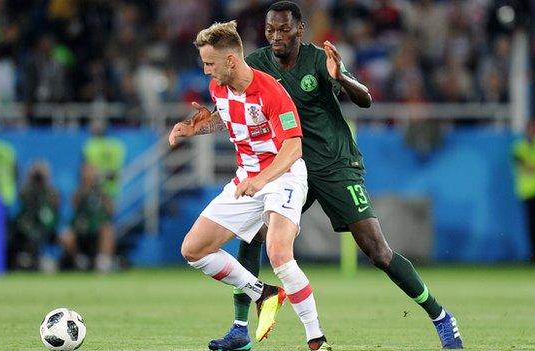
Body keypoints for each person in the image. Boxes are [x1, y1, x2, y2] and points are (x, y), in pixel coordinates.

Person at [178, 2, 463, 350]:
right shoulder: (254, 65)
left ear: (300, 30)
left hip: (332, 164)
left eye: (284, 29)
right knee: (251, 237)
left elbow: (366, 99)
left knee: (378, 251)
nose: (276, 36)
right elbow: (239, 112)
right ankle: (240, 329)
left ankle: (441, 317)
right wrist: (207, 123)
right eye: (270, 30)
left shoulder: (319, 60)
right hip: (282, 166)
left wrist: (341, 76)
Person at [169, 20, 330, 351]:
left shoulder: (271, 91)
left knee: (279, 252)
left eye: (210, 63)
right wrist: (193, 127)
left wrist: (262, 180)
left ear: (230, 61)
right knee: (193, 249)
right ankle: (263, 293)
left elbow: (293, 147)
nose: (205, 71)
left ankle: (317, 338)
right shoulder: (219, 88)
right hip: (247, 180)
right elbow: (225, 117)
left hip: (283, 175)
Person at [59, 163, 116, 272]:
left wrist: (101, 190)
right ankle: (80, 261)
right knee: (65, 235)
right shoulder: (79, 190)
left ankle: (103, 262)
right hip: (81, 230)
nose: (88, 174)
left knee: (108, 229)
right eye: (86, 171)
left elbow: (111, 211)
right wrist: (87, 187)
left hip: (96, 231)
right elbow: (74, 203)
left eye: (91, 171)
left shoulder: (101, 190)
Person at [9, 160, 60, 271]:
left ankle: (46, 260)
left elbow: (54, 210)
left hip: (46, 228)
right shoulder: (27, 190)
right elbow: (21, 196)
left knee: (40, 235)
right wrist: (30, 179)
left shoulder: (52, 192)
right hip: (26, 228)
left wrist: (45, 183)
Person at [83, 120, 126, 198]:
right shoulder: (117, 145)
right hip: (110, 187)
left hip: (98, 187)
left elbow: (86, 168)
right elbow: (119, 170)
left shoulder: (90, 145)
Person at [513, 119, 535, 263]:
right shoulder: (519, 147)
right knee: (532, 225)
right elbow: (525, 167)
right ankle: (533, 255)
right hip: (528, 193)